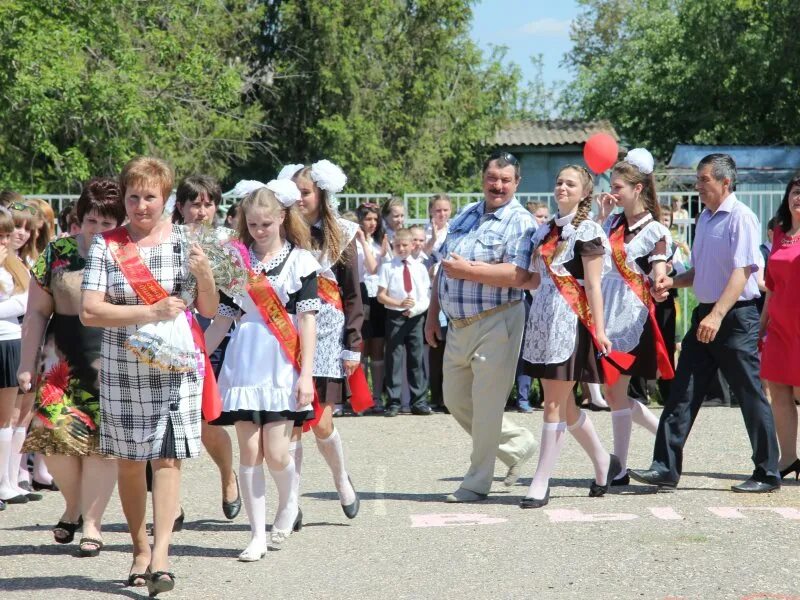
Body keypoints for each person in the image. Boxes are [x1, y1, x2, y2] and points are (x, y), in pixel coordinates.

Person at [81, 156, 218, 595]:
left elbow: (209, 310)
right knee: (130, 461)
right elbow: (89, 311)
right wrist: (150, 311)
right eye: (134, 196)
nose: (142, 205)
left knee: (169, 457)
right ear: (125, 197)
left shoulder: (186, 242)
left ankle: (161, 555)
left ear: (166, 199)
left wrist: (205, 277)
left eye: (151, 197)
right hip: (124, 366)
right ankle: (139, 546)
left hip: (175, 366)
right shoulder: (108, 245)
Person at [629, 153, 780, 493]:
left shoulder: (741, 217)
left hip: (735, 318)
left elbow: (743, 272)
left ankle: (767, 472)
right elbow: (698, 272)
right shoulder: (706, 219)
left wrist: (716, 314)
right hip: (707, 316)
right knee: (683, 393)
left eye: (704, 180)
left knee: (750, 394)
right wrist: (672, 282)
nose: (697, 186)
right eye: (698, 179)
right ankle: (665, 468)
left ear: (726, 182)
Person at [206, 180, 318, 560]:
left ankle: (289, 501)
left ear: (282, 218)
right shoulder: (236, 262)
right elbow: (223, 319)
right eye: (252, 225)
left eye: (266, 224)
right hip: (244, 359)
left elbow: (307, 322)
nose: (259, 231)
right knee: (249, 451)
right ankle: (256, 534)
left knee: (277, 453)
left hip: (283, 361)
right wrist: (197, 358)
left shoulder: (301, 261)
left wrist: (306, 375)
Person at [17, 178, 124, 554]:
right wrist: (27, 363)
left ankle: (92, 525)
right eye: (91, 221)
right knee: (53, 443)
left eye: (106, 224)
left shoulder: (130, 257)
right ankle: (73, 506)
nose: (97, 230)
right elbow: (35, 313)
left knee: (101, 449)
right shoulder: (57, 253)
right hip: (60, 364)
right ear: (80, 217)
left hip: (113, 363)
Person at [425, 150, 537, 503]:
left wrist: (470, 271)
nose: (498, 185)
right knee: (454, 399)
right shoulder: (467, 214)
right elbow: (443, 266)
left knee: (487, 406)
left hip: (498, 320)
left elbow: (522, 276)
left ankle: (476, 483)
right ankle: (518, 444)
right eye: (492, 178)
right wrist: (432, 314)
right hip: (458, 324)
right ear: (483, 178)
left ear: (517, 183)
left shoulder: (521, 222)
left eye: (505, 180)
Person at [515, 165, 621, 508]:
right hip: (542, 320)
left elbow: (593, 285)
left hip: (569, 323)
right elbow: (531, 278)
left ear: (583, 192)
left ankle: (540, 482)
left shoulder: (588, 231)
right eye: (559, 181)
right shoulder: (545, 230)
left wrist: (601, 329)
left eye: (570, 184)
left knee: (552, 405)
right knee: (567, 406)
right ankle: (603, 461)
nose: (562, 187)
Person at [593, 149, 672, 485]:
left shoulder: (654, 230)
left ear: (637, 189)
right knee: (614, 393)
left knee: (614, 390)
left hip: (631, 316)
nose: (614, 191)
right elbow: (588, 253)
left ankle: (620, 467)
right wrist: (600, 215)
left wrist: (659, 282)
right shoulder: (611, 223)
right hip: (604, 311)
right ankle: (668, 438)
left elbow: (658, 270)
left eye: (619, 186)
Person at [290, 161, 362, 519]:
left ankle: (341, 480)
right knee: (290, 426)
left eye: (305, 192)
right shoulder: (281, 232)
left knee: (320, 422)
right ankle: (292, 502)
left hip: (330, 340)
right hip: (288, 337)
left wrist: (353, 345)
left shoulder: (343, 235)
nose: (300, 199)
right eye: (295, 192)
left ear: (321, 193)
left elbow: (352, 296)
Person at [171, 175, 240, 521]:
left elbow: (241, 294)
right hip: (172, 341)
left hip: (216, 338)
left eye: (208, 203)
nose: (202, 211)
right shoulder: (165, 240)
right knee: (166, 422)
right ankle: (171, 503)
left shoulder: (228, 242)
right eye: (194, 203)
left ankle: (228, 477)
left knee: (207, 422)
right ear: (180, 207)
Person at [759, 175, 800, 480]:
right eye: (796, 192)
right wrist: (761, 325)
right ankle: (788, 459)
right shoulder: (779, 232)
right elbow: (771, 285)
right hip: (780, 326)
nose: (799, 198)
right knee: (778, 392)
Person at [378, 228, 431, 417]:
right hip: (395, 317)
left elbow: (425, 295)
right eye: (398, 245)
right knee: (394, 358)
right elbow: (381, 296)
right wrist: (399, 304)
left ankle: (419, 401)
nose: (401, 248)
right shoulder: (387, 267)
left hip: (415, 317)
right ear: (393, 245)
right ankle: (393, 402)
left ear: (412, 245)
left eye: (405, 245)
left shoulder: (420, 268)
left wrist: (415, 309)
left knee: (416, 359)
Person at [0, 207, 33, 509]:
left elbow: (27, 299)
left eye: (5, 236)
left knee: (10, 416)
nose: (5, 241)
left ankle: (8, 481)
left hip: (11, 342)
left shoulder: (15, 264)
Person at [355, 202, 388, 411]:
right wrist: (363, 242)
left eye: (375, 219)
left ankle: (377, 396)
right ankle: (361, 397)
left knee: (378, 346)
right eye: (368, 219)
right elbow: (372, 267)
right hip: (362, 295)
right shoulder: (357, 242)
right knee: (361, 347)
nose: (372, 223)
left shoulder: (380, 241)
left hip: (379, 297)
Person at [423, 194, 451, 261]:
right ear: (430, 211)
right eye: (438, 210)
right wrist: (433, 239)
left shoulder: (454, 230)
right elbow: (421, 256)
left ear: (450, 211)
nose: (442, 214)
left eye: (445, 210)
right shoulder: (423, 232)